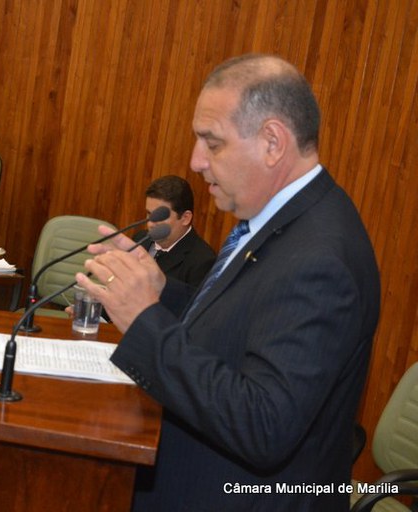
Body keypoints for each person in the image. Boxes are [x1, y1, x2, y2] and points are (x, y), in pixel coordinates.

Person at [76, 54, 380, 511]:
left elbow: (263, 424)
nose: (196, 161)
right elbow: (242, 326)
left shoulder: (321, 258)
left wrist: (145, 320)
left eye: (212, 143)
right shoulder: (281, 219)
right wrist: (161, 291)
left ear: (272, 142)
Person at [132, 175, 216, 286]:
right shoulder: (140, 239)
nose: (151, 223)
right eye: (149, 213)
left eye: (161, 216)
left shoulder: (202, 262)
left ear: (185, 218)